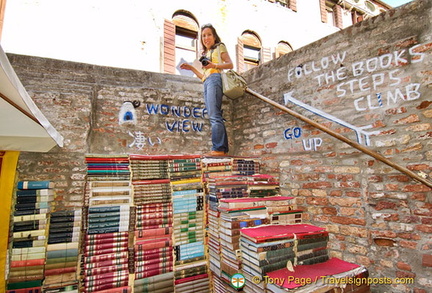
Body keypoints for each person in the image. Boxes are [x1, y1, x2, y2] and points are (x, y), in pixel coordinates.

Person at [180, 24, 233, 156]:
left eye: (209, 34)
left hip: (215, 78)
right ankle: (222, 148)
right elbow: (203, 77)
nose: (206, 38)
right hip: (207, 81)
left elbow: (230, 64)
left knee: (215, 115)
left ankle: (219, 148)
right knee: (213, 115)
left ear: (214, 36)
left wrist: (214, 65)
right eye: (203, 36)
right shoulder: (205, 54)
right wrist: (191, 68)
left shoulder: (220, 47)